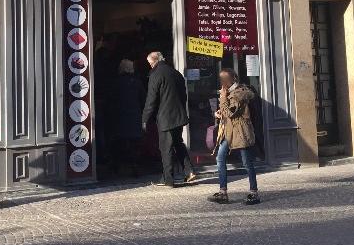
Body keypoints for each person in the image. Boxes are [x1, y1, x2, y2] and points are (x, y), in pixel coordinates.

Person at [141, 52, 197, 187]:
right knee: (178, 143)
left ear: (153, 61)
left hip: (165, 117)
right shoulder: (176, 73)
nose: (149, 65)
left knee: (166, 148)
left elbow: (151, 100)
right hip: (178, 115)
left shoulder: (155, 75)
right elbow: (184, 95)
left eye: (149, 63)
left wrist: (145, 119)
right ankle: (189, 171)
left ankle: (169, 179)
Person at [208, 68, 260, 205]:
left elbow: (231, 113)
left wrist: (223, 98)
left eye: (224, 79)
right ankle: (223, 192)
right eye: (221, 79)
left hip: (241, 133)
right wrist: (219, 113)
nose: (222, 82)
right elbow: (227, 112)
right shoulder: (229, 92)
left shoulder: (240, 94)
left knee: (247, 163)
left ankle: (254, 193)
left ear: (232, 79)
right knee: (220, 158)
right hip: (228, 132)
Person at [108, 59, 145, 176]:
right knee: (134, 143)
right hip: (134, 115)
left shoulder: (116, 82)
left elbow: (111, 98)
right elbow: (143, 98)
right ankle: (134, 166)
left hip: (120, 116)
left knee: (119, 141)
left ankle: (116, 166)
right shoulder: (137, 82)